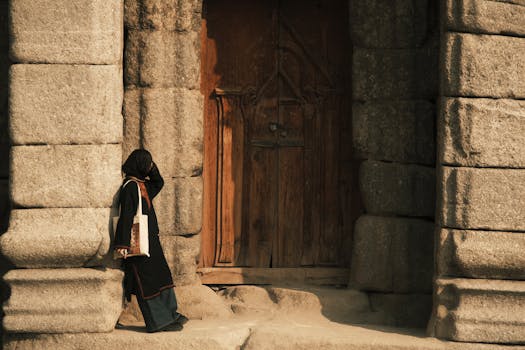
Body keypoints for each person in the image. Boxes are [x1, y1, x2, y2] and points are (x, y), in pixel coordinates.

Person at [114, 149, 187, 332]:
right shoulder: (130, 187)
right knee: (146, 282)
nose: (149, 167)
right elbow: (126, 217)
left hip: (150, 241)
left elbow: (158, 182)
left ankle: (170, 315)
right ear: (139, 165)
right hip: (137, 243)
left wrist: (152, 167)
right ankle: (157, 322)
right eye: (147, 164)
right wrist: (122, 244)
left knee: (162, 276)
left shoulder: (142, 185)